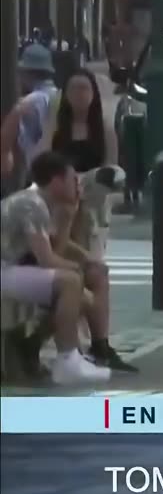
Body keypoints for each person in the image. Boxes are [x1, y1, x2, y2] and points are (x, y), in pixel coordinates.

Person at [0, 152, 112, 384]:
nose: (78, 184)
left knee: (82, 296)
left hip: (8, 269)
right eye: (73, 179)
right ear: (56, 181)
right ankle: (68, 360)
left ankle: (32, 349)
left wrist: (70, 217)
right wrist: (79, 270)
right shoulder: (31, 204)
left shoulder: (40, 202)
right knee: (70, 282)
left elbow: (55, 250)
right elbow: (48, 260)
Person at [35, 68, 119, 261]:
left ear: (93, 94)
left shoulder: (103, 127)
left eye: (84, 89)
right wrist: (51, 130)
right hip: (60, 191)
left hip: (92, 191)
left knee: (88, 232)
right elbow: (41, 160)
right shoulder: (56, 124)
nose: (79, 94)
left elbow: (111, 165)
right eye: (73, 89)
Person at [0, 44, 59, 190]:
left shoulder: (28, 103)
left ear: (27, 74)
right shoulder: (60, 94)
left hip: (39, 176)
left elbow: (7, 142)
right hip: (60, 171)